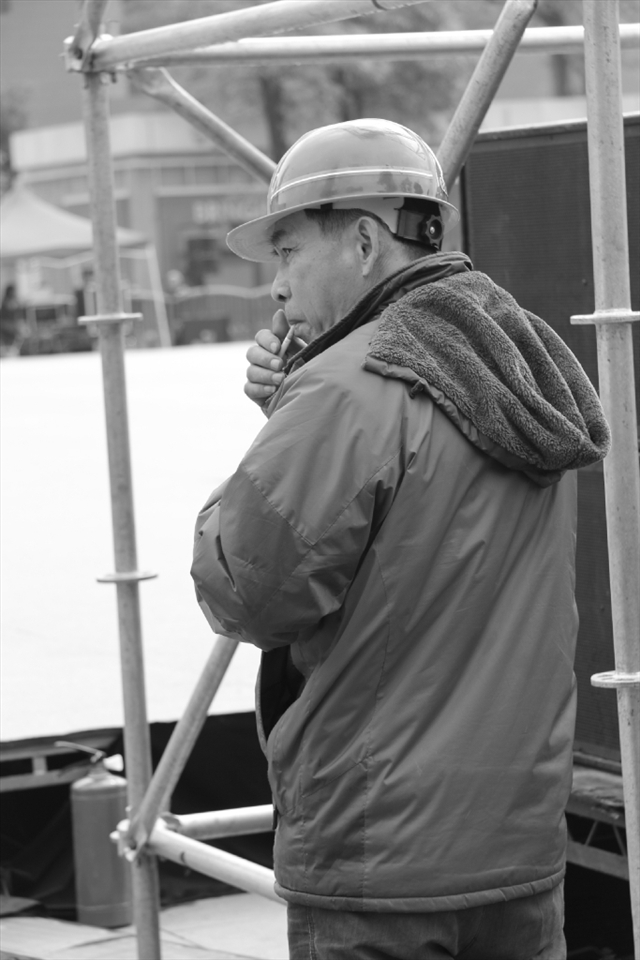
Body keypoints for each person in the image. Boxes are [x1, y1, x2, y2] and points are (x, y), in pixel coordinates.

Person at [191, 119, 610, 960]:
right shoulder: (509, 363)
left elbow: (248, 590)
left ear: (361, 239)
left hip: (379, 860)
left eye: (286, 250)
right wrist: (296, 407)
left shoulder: (347, 393)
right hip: (518, 846)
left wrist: (278, 433)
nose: (276, 286)